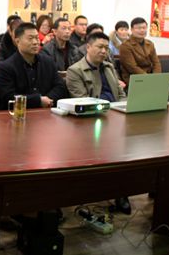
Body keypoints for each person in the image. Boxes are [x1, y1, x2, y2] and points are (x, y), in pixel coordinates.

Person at [65, 31, 130, 215]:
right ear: (88, 47)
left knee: (131, 144)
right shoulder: (75, 71)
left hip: (115, 116)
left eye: (106, 48)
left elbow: (121, 94)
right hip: (91, 121)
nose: (103, 51)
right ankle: (112, 191)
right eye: (99, 47)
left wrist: (124, 108)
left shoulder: (109, 67)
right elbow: (82, 101)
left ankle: (122, 190)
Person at [0, 22, 68, 109]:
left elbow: (60, 86)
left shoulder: (48, 61)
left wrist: (48, 100)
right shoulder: (6, 67)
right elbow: (8, 96)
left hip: (46, 111)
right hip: (19, 112)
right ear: (17, 41)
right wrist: (38, 101)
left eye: (37, 38)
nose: (35, 42)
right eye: (30, 38)